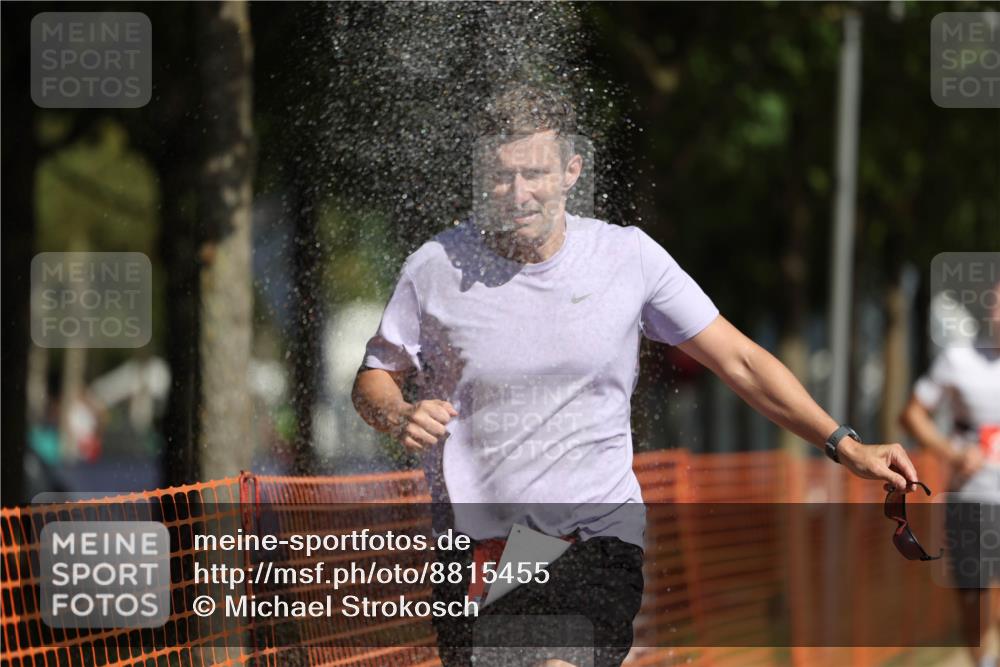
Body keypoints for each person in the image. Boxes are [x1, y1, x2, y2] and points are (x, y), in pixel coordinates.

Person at [352, 83, 923, 667]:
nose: (518, 194)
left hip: (596, 534)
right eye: (501, 176)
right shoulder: (436, 266)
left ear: (572, 170)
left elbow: (741, 360)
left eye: (535, 174)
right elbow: (374, 378)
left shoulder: (627, 258)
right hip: (476, 542)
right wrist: (397, 413)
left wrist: (843, 443)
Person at [900, 280, 1000, 667]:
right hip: (970, 495)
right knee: (973, 594)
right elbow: (911, 415)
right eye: (994, 302)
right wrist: (953, 452)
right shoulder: (958, 360)